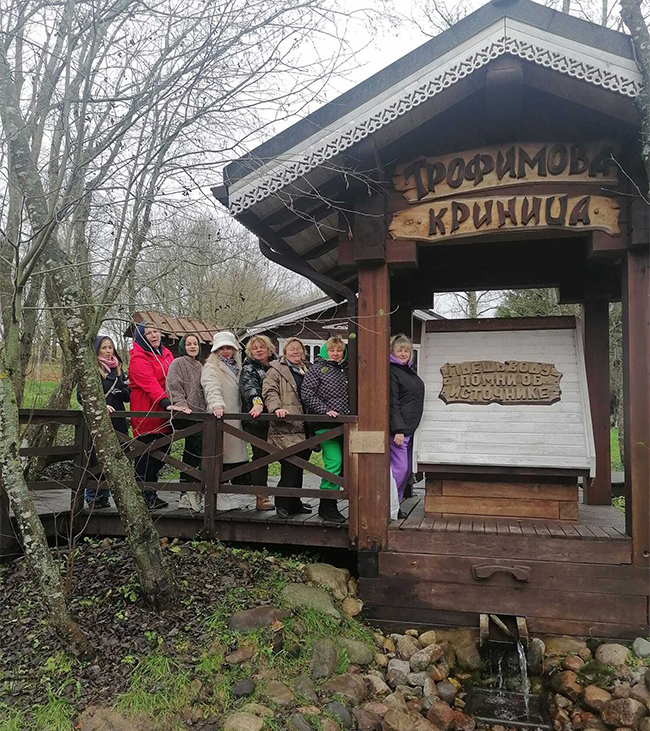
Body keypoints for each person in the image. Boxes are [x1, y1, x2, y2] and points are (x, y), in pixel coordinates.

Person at [77, 335, 130, 509]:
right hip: (98, 420)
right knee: (96, 456)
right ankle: (93, 495)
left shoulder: (119, 369)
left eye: (110, 347)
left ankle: (106, 494)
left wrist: (123, 391)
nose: (108, 351)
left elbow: (127, 395)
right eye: (104, 348)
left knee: (116, 456)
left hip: (117, 420)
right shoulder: (91, 369)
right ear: (97, 350)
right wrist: (101, 406)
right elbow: (81, 396)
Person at [263, 337, 313, 518]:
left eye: (298, 348)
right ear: (284, 353)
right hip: (286, 425)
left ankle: (295, 502)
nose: (295, 351)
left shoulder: (307, 369)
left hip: (306, 425)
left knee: (300, 466)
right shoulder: (276, 370)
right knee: (290, 466)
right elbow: (269, 391)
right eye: (291, 349)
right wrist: (276, 408)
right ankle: (282, 504)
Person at [301, 336, 348, 523]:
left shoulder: (347, 369)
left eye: (339, 350)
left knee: (348, 464)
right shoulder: (317, 369)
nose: (335, 354)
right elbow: (307, 393)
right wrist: (324, 410)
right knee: (334, 462)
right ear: (324, 351)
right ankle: (327, 504)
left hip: (346, 425)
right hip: (325, 425)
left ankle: (334, 503)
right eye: (332, 350)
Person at [129, 323, 176, 510]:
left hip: (166, 413)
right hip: (147, 411)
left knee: (163, 453)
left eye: (156, 331)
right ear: (141, 337)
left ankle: (151, 493)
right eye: (148, 333)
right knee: (146, 456)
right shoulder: (138, 358)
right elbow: (149, 383)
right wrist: (165, 402)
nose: (154, 335)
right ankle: (143, 496)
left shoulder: (167, 354)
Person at [201, 331, 248, 511]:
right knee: (219, 459)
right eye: (222, 348)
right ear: (216, 350)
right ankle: (216, 498)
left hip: (236, 419)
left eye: (229, 348)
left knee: (230, 461)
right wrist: (216, 405)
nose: (226, 351)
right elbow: (211, 388)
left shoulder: (238, 367)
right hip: (221, 418)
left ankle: (223, 495)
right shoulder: (211, 367)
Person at [166, 334, 206, 512]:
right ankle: (186, 491)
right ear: (183, 346)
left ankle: (194, 489)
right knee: (193, 450)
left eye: (195, 344)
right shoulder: (177, 363)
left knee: (197, 452)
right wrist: (181, 405)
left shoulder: (200, 365)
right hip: (186, 414)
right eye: (189, 344)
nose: (192, 346)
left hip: (201, 415)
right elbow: (173, 386)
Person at [389, 334, 425, 519]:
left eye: (406, 350)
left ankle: (396, 505)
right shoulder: (392, 371)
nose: (403, 353)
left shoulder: (409, 370)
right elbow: (392, 402)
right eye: (399, 350)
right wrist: (398, 430)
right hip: (400, 432)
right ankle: (388, 505)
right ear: (392, 351)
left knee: (407, 470)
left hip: (411, 430)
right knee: (400, 469)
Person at [240, 335, 276, 511]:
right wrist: (257, 402)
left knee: (290, 456)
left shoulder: (278, 366)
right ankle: (261, 496)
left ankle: (290, 497)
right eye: (255, 348)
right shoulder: (248, 368)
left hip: (278, 418)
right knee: (261, 457)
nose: (259, 350)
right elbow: (249, 387)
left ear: (269, 348)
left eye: (262, 347)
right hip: (257, 420)